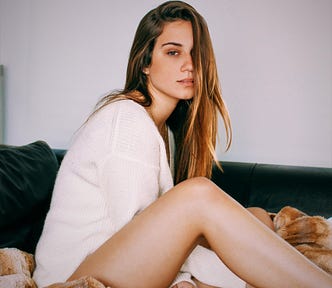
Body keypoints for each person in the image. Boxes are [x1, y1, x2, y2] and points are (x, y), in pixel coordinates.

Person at [33, 1, 332, 288]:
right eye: (173, 52)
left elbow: (159, 233)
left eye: (195, 53)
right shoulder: (125, 119)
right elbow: (132, 231)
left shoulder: (167, 132)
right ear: (145, 63)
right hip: (75, 276)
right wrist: (187, 279)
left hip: (119, 262)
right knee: (198, 194)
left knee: (254, 218)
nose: (189, 65)